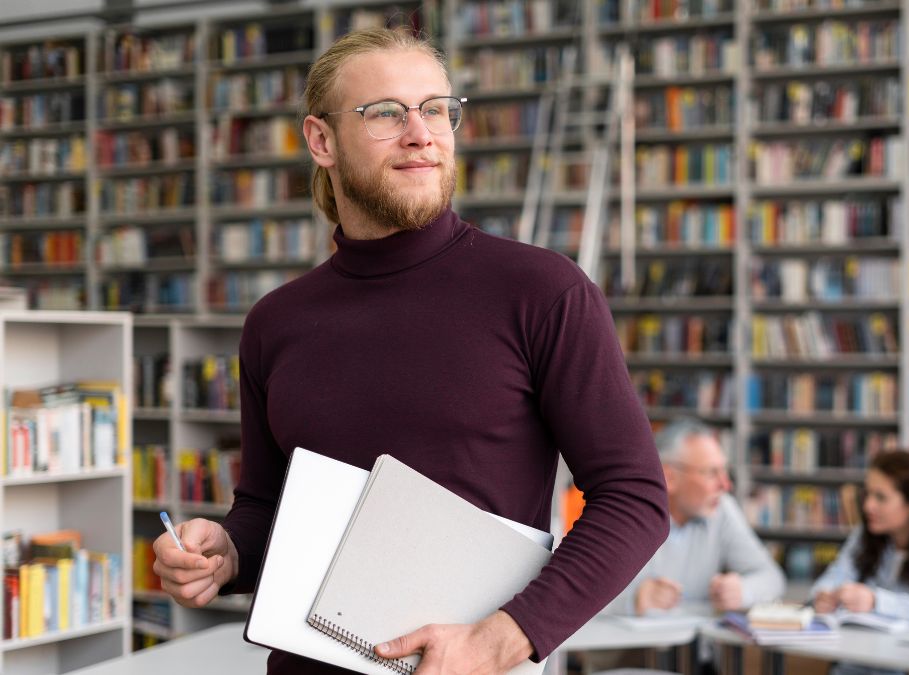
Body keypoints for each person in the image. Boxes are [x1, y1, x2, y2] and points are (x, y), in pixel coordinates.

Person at [150, 28, 669, 674]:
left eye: (435, 109)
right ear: (320, 141)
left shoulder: (544, 291)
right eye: (387, 113)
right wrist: (225, 552)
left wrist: (499, 639)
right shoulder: (273, 323)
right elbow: (265, 504)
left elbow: (635, 499)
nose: (421, 133)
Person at [812, 450, 909, 675]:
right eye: (867, 494)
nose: (868, 506)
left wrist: (876, 601)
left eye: (881, 497)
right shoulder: (864, 536)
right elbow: (835, 575)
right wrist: (824, 594)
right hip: (855, 661)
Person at [604, 419, 786, 617]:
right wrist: (634, 600)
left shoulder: (721, 509)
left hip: (691, 645)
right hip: (631, 645)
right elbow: (578, 594)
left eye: (724, 471)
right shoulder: (625, 515)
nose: (725, 485)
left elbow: (773, 578)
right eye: (711, 473)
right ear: (669, 477)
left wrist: (743, 590)